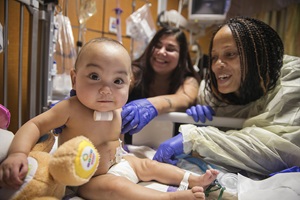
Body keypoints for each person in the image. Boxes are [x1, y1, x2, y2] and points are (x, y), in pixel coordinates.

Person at [0, 37, 218, 200]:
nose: (106, 89)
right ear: (74, 79)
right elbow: (35, 125)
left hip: (119, 160)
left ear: (129, 83)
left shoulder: (118, 108)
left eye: (118, 81)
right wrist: (18, 153)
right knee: (114, 187)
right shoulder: (70, 108)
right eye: (95, 77)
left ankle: (191, 179)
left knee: (146, 165)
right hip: (87, 178)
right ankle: (166, 198)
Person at [153, 16, 300, 176]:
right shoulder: (210, 95)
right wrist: (203, 125)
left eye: (230, 54)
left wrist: (196, 139)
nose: (217, 65)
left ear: (258, 57)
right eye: (214, 57)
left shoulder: (292, 80)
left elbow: (279, 149)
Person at [121, 27, 201, 142]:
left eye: (170, 49)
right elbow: (120, 87)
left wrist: (151, 105)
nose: (161, 52)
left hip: (168, 151)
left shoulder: (188, 81)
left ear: (181, 56)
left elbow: (185, 98)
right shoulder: (135, 72)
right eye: (157, 46)